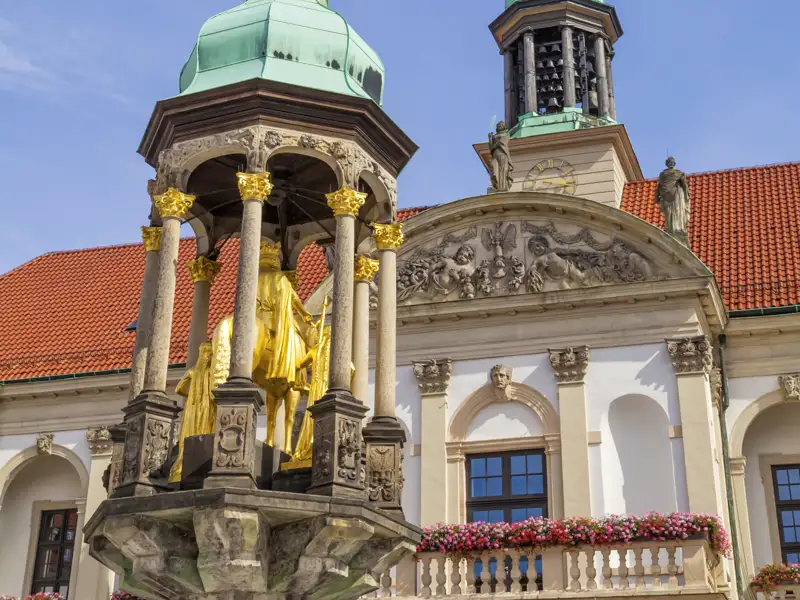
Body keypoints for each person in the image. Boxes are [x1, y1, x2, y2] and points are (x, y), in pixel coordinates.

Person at [655, 157, 691, 238]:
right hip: (666, 196)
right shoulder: (663, 175)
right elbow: (660, 186)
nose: (670, 163)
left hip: (677, 195)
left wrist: (686, 194)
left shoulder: (678, 173)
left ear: (674, 163)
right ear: (666, 164)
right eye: (669, 162)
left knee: (677, 211)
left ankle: (677, 228)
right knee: (669, 213)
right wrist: (656, 195)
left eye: (671, 162)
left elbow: (684, 184)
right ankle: (669, 229)